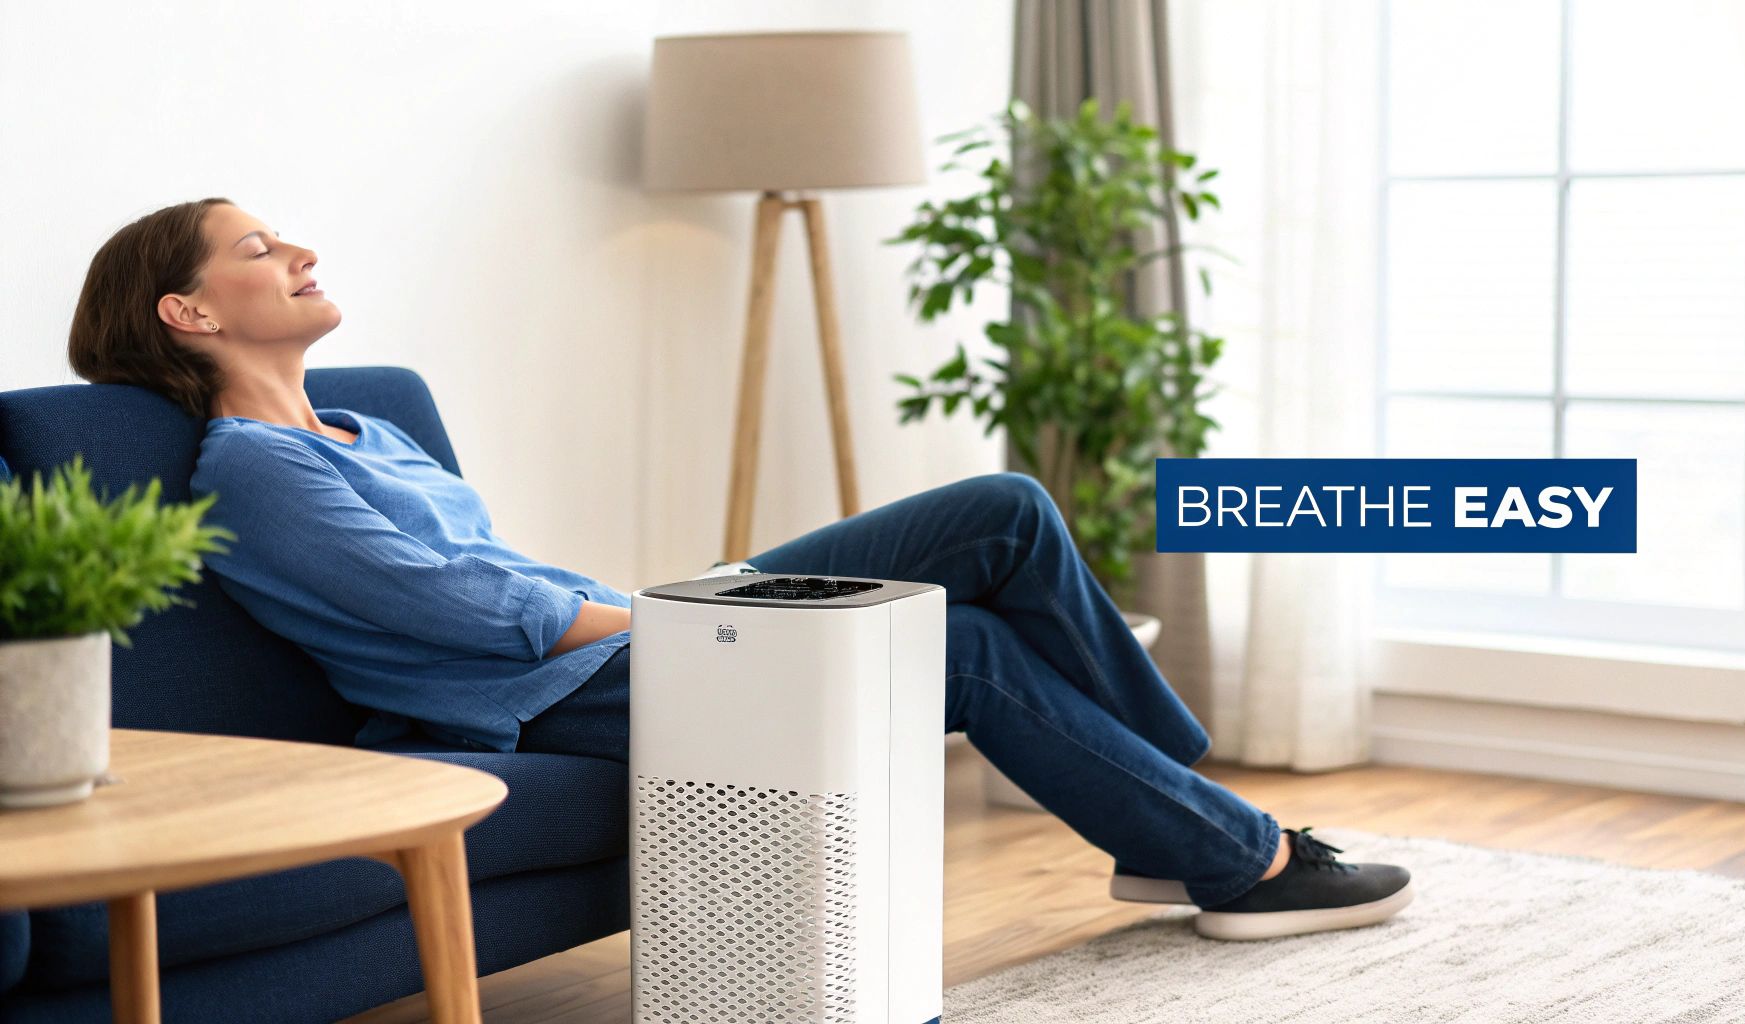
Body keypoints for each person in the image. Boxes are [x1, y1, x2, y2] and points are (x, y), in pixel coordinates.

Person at [67, 197, 1414, 941]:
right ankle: (1233, 860)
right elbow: (474, 613)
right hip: (541, 695)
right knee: (960, 644)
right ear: (187, 312)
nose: (301, 249)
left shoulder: (365, 424)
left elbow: (514, 573)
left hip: (626, 636)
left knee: (999, 511)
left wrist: (694, 604)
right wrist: (700, 610)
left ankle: (1185, 814)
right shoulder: (254, 472)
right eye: (258, 250)